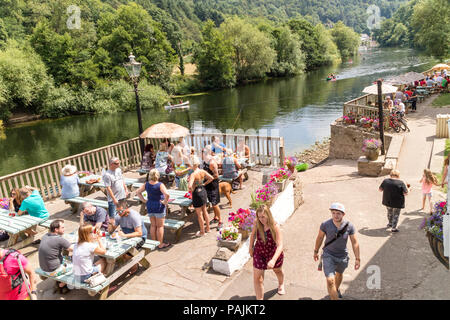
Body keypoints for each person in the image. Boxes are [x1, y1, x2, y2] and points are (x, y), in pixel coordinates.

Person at [313, 202, 360, 300]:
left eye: (338, 213)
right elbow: (320, 238)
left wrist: (357, 258)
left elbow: (354, 242)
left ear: (343, 214)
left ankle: (336, 290)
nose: (336, 215)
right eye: (333, 213)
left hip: (342, 256)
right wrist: (316, 251)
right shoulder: (325, 224)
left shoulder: (349, 226)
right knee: (330, 280)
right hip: (328, 254)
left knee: (339, 274)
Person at [249, 205, 285, 300]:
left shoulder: (275, 226)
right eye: (259, 217)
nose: (261, 219)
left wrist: (273, 260)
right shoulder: (257, 223)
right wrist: (250, 247)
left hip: (273, 253)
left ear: (268, 215)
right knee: (258, 279)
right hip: (259, 252)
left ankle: (281, 283)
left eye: (263, 217)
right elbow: (252, 236)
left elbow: (280, 245)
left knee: (277, 270)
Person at [108, 200, 148, 274]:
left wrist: (124, 235)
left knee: (126, 254)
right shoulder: (118, 216)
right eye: (117, 211)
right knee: (112, 250)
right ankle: (125, 264)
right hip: (126, 238)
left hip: (140, 238)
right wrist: (110, 223)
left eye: (120, 211)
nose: (119, 214)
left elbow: (139, 233)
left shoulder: (134, 216)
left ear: (126, 208)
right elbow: (111, 231)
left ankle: (135, 266)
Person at [136, 169, 171, 250]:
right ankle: (160, 244)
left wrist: (144, 200)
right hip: (159, 206)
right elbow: (167, 194)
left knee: (153, 225)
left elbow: (138, 192)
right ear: (157, 175)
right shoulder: (160, 185)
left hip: (150, 205)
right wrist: (165, 202)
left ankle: (154, 242)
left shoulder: (146, 184)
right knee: (160, 226)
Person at [38, 219, 73, 293]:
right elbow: (73, 249)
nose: (64, 229)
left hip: (43, 267)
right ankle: (63, 285)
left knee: (67, 258)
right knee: (76, 265)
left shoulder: (45, 236)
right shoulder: (59, 239)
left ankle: (60, 282)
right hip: (52, 270)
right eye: (62, 228)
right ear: (56, 229)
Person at [188, 156, 214, 237]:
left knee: (199, 214)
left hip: (196, 192)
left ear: (192, 165)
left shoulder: (193, 174)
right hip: (203, 190)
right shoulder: (202, 171)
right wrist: (204, 184)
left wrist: (192, 189)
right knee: (205, 211)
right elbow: (211, 178)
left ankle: (202, 231)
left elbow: (189, 186)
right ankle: (208, 228)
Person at [103, 157, 128, 223]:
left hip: (122, 196)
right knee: (113, 218)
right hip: (114, 199)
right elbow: (108, 188)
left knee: (125, 213)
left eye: (119, 163)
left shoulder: (119, 170)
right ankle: (112, 231)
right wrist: (114, 200)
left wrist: (126, 189)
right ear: (111, 164)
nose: (119, 164)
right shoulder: (107, 175)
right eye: (117, 163)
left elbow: (122, 179)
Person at [202, 146, 222, 229]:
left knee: (214, 204)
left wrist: (205, 183)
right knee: (211, 203)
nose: (202, 155)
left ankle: (220, 221)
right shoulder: (205, 161)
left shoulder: (211, 163)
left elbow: (216, 175)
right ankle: (216, 217)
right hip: (207, 184)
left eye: (203, 153)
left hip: (212, 185)